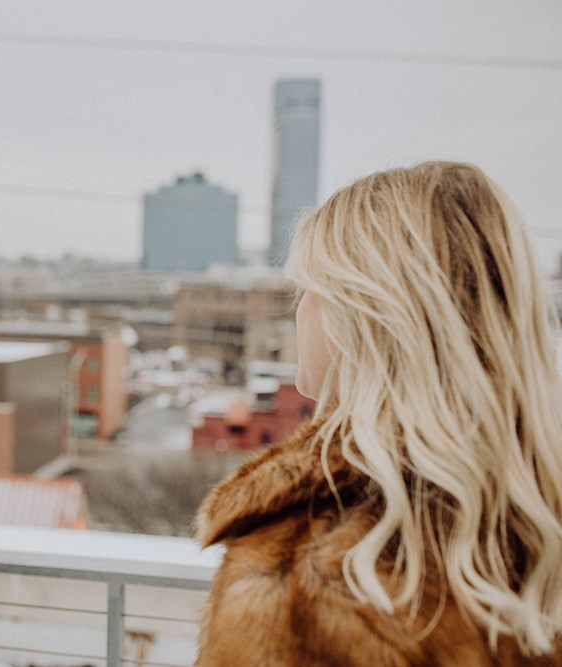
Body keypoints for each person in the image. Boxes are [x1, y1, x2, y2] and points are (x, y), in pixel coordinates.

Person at [195, 162, 562, 665]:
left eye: (307, 288)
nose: (298, 312)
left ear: (363, 315)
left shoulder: (311, 577)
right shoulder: (533, 522)